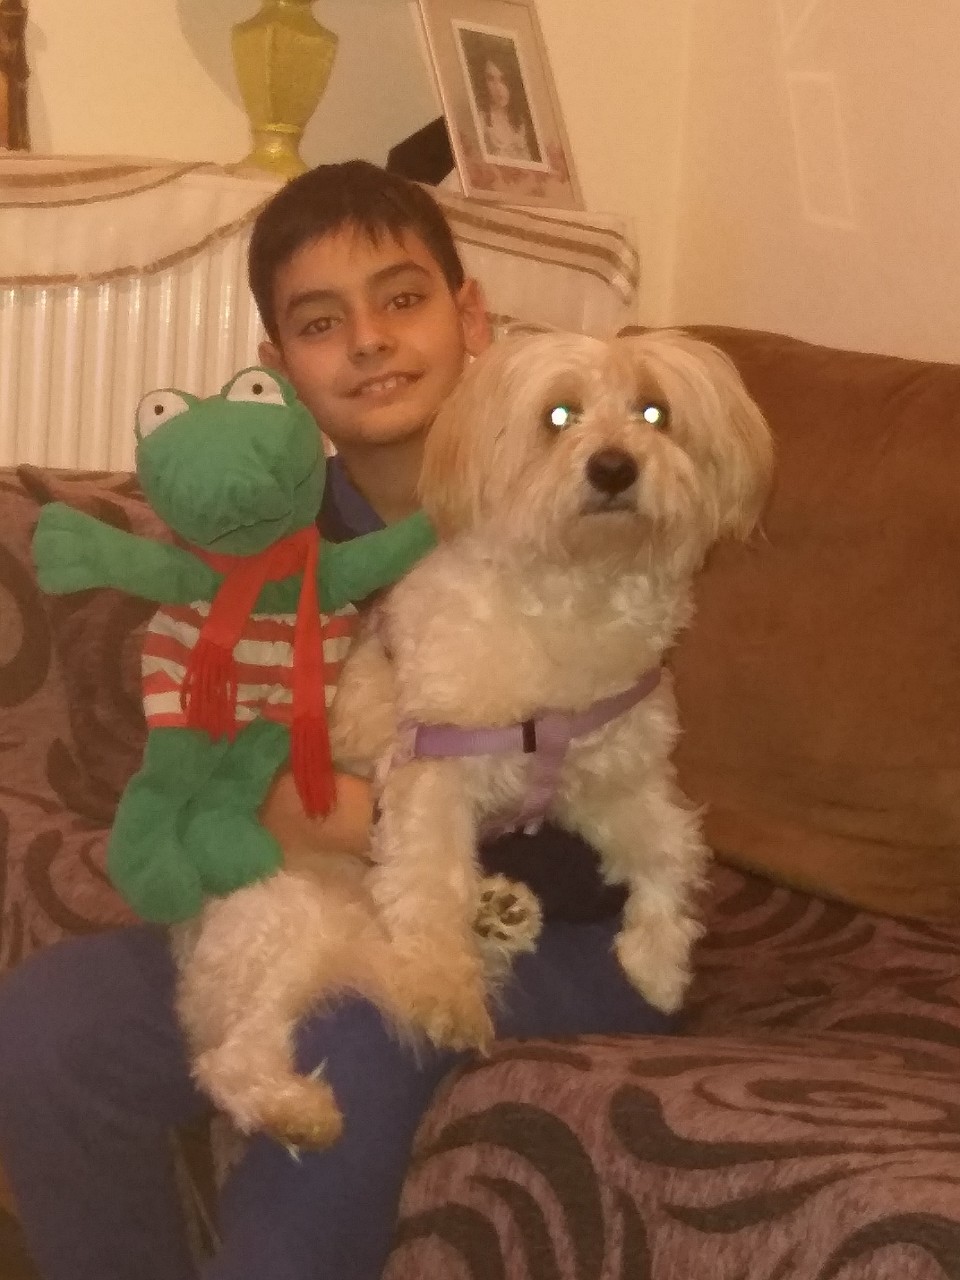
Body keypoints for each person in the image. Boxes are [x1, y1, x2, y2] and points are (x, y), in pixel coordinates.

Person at [0, 161, 676, 1280]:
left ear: (471, 316)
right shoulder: (271, 531)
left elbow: (613, 808)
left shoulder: (583, 494)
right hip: (319, 904)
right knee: (47, 1022)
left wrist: (368, 820)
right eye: (322, 323)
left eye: (402, 298)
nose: (369, 341)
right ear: (279, 371)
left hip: (556, 925)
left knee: (355, 1019)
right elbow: (212, 759)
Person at [461, 34, 540, 164]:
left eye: (503, 80)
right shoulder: (480, 120)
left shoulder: (522, 122)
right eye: (491, 79)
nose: (498, 88)